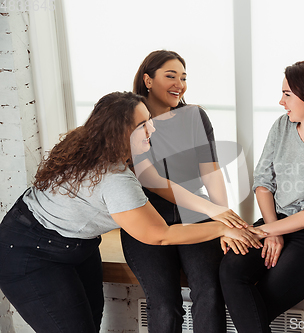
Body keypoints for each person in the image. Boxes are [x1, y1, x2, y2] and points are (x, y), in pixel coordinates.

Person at [0, 92, 264, 333]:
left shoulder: (92, 142)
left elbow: (155, 182)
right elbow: (159, 235)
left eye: (149, 120)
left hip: (77, 246)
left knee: (89, 323)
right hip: (30, 253)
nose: (152, 128)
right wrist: (220, 228)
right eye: (143, 125)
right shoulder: (115, 178)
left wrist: (214, 209)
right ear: (120, 131)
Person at [219, 60, 304, 333]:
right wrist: (270, 231)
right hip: (275, 219)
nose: (281, 101)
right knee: (230, 270)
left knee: (263, 300)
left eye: (287, 94)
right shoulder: (282, 126)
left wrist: (265, 231)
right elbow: (263, 181)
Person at [120, 50, 248, 333]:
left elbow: (210, 171)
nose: (179, 83)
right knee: (164, 303)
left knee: (210, 292)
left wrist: (222, 218)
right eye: (170, 76)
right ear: (148, 80)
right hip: (146, 215)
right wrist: (214, 213)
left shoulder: (194, 116)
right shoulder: (132, 120)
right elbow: (151, 180)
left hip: (196, 211)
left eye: (183, 77)